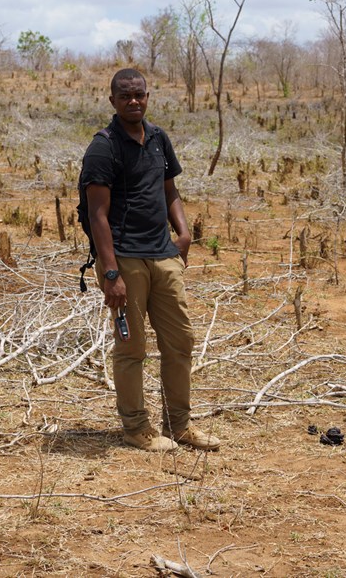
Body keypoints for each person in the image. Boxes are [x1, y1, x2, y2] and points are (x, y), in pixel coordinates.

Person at [80, 68, 221, 452]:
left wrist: (185, 233)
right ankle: (136, 428)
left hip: (164, 255)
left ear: (148, 95)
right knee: (132, 347)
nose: (134, 101)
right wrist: (111, 273)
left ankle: (179, 425)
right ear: (112, 100)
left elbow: (169, 188)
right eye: (125, 96)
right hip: (124, 259)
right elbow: (97, 216)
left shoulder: (158, 138)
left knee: (180, 340)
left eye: (139, 94)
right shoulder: (103, 147)